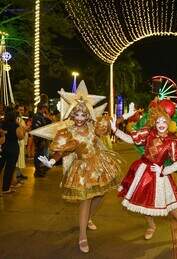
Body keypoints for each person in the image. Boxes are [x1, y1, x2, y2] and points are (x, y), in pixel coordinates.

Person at [37, 83, 123, 253]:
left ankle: (89, 218)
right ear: (72, 113)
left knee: (101, 194)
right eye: (76, 113)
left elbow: (106, 129)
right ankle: (82, 236)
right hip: (83, 169)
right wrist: (51, 162)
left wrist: (120, 120)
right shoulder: (68, 132)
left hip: (99, 164)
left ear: (88, 114)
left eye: (83, 114)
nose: (79, 117)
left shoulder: (93, 127)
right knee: (86, 200)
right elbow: (61, 151)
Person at [111, 99, 177, 240]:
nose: (161, 125)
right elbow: (131, 139)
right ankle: (151, 225)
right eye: (158, 122)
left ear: (169, 123)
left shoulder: (173, 141)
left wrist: (165, 170)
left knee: (172, 203)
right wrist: (115, 130)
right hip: (143, 170)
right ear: (154, 121)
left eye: (164, 122)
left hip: (160, 173)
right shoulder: (149, 132)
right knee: (142, 200)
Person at [0, 106, 26, 194]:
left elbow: (2, 135)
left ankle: (6, 188)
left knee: (1, 166)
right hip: (13, 148)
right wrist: (20, 126)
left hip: (4, 147)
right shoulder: (16, 126)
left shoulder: (3, 124)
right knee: (9, 169)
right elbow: (21, 137)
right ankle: (5, 188)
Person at [32, 103, 51, 177]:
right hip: (39, 139)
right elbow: (37, 128)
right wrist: (40, 140)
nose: (46, 110)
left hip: (41, 138)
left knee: (40, 154)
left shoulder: (41, 116)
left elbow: (47, 123)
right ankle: (37, 171)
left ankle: (39, 170)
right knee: (38, 154)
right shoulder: (37, 116)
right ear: (42, 108)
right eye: (45, 108)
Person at [15, 104, 29, 181]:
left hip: (22, 141)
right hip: (19, 141)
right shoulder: (17, 119)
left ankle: (19, 173)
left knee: (21, 157)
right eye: (20, 110)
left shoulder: (21, 119)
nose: (21, 111)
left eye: (22, 110)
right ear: (16, 110)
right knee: (18, 158)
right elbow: (20, 130)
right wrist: (25, 128)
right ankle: (17, 175)